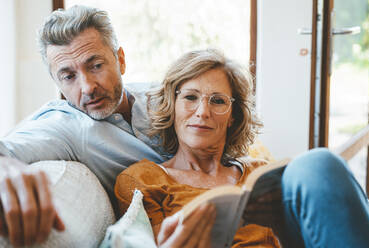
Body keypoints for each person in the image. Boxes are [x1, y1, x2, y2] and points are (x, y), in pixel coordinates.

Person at [0, 5, 214, 247]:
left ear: (120, 60)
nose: (87, 86)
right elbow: (7, 148)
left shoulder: (164, 96)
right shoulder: (66, 126)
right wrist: (6, 167)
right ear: (57, 83)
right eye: (69, 76)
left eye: (95, 66)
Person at [115, 49, 369, 247]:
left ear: (233, 117)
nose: (202, 112)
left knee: (317, 164)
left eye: (217, 101)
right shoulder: (143, 180)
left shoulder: (262, 173)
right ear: (173, 106)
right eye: (190, 97)